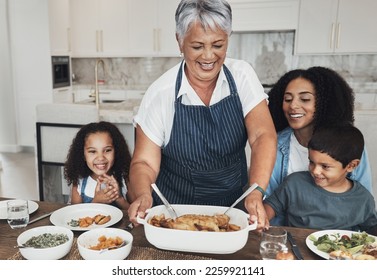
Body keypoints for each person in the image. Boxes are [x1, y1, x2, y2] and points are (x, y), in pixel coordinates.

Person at [127, 0, 277, 229]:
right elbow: (145, 163)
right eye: (197, 46)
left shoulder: (242, 76)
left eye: (218, 45)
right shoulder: (161, 93)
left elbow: (262, 136)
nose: (208, 56)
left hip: (232, 213)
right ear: (179, 41)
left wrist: (256, 191)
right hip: (173, 214)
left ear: (228, 37)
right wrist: (143, 194)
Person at [267, 66, 373, 225]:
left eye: (305, 99)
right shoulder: (273, 144)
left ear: (324, 102)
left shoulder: (348, 145)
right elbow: (269, 202)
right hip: (288, 237)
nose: (293, 106)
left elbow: (361, 203)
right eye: (287, 99)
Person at [264, 123, 377, 233]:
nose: (315, 171)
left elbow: (371, 230)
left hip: (340, 252)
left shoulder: (363, 199)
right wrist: (261, 218)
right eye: (311, 162)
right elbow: (272, 205)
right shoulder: (294, 183)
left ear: (351, 166)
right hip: (294, 249)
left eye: (325, 166)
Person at [64, 121, 131, 210]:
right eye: (92, 151)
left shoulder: (124, 178)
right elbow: (76, 216)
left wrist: (118, 198)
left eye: (107, 150)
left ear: (116, 151)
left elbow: (135, 215)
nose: (100, 158)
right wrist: (96, 202)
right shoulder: (79, 182)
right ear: (83, 155)